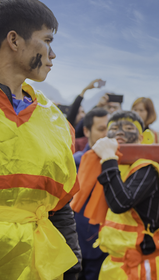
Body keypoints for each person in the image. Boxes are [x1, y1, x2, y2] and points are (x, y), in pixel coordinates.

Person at [0, 0, 81, 279]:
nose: (53, 54)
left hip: (38, 267)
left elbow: (60, 209)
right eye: (47, 40)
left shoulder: (55, 120)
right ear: (14, 40)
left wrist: (73, 266)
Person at [72, 110, 159, 279]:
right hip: (115, 262)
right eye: (114, 127)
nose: (120, 131)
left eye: (128, 127)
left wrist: (109, 159)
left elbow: (120, 203)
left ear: (141, 137)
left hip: (140, 266)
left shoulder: (146, 168)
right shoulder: (119, 166)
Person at [72, 108, 109, 280]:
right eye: (101, 129)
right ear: (86, 131)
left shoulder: (116, 166)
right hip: (73, 242)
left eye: (110, 129)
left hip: (103, 244)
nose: (107, 134)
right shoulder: (74, 163)